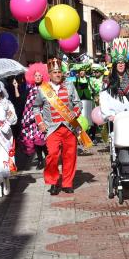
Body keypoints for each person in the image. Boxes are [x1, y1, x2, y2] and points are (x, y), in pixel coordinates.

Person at [34, 58, 88, 195]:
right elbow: (35, 108)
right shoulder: (43, 89)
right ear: (50, 75)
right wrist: (40, 123)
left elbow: (78, 104)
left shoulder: (69, 86)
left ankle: (67, 183)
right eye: (54, 72)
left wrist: (74, 113)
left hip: (69, 128)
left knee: (69, 156)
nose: (58, 74)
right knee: (52, 156)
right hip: (52, 129)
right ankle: (53, 182)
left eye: (59, 72)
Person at [100, 38, 129, 122]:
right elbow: (104, 99)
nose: (121, 65)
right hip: (114, 119)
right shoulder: (107, 81)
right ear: (114, 65)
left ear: (126, 64)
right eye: (118, 63)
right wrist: (108, 115)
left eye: (123, 63)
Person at [21, 63, 50, 169]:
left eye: (39, 75)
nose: (37, 77)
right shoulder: (30, 90)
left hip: (44, 118)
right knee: (36, 140)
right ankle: (40, 160)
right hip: (33, 119)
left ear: (43, 76)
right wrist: (28, 116)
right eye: (36, 76)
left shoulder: (47, 88)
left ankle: (48, 158)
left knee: (44, 139)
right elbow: (28, 104)